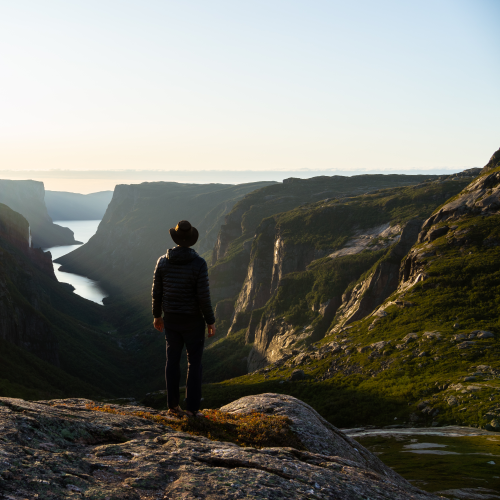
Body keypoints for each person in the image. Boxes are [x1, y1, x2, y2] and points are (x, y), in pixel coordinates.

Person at [151, 220, 215, 417]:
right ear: (192, 240)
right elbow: (204, 296)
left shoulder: (162, 261)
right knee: (194, 363)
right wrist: (210, 321)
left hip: (171, 319)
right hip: (193, 321)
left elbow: (157, 292)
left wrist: (157, 315)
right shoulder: (199, 263)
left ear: (176, 239)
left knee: (172, 361)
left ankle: (172, 406)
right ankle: (193, 409)